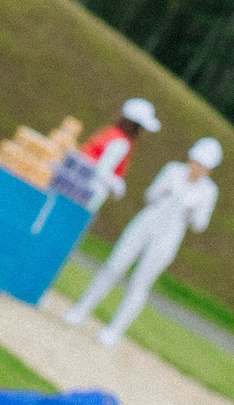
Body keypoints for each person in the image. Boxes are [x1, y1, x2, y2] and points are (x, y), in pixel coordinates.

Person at [64, 135, 223, 346]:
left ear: (209, 170)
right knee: (114, 266)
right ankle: (80, 310)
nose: (197, 167)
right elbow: (150, 196)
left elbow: (200, 225)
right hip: (146, 223)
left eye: (203, 165)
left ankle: (114, 331)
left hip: (169, 236)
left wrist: (192, 211)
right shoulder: (173, 169)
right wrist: (165, 191)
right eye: (196, 161)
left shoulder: (209, 191)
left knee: (140, 283)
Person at [79, 96, 159, 200]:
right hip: (87, 191)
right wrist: (117, 185)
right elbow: (101, 171)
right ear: (136, 127)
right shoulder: (122, 143)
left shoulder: (111, 132)